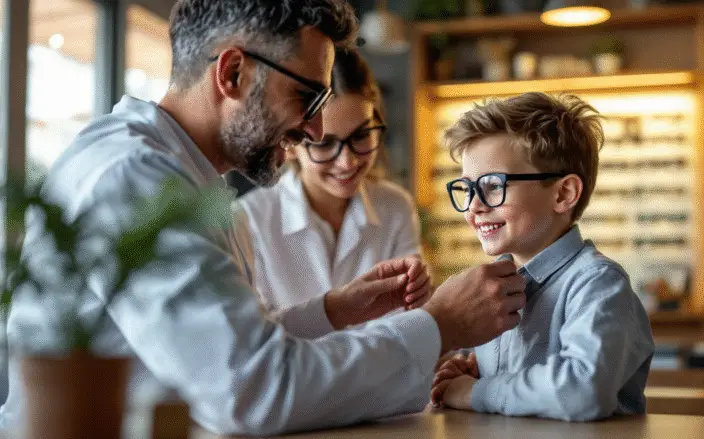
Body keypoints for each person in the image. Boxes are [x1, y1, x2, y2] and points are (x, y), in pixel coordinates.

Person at [0, 0, 528, 436]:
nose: (315, 130)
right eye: (306, 96)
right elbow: (252, 391)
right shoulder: (138, 178)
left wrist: (333, 310)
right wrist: (439, 324)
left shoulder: (185, 177)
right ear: (233, 73)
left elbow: (222, 350)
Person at [429, 93, 655, 422]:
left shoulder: (598, 284)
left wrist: (474, 392)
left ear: (564, 193)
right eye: (467, 189)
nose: (474, 206)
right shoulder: (491, 289)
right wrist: (472, 371)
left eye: (493, 186)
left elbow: (580, 391)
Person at [237, 48, 430, 318]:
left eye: (361, 136)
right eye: (324, 144)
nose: (347, 162)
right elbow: (259, 335)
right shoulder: (249, 221)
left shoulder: (396, 207)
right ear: (290, 143)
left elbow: (408, 319)